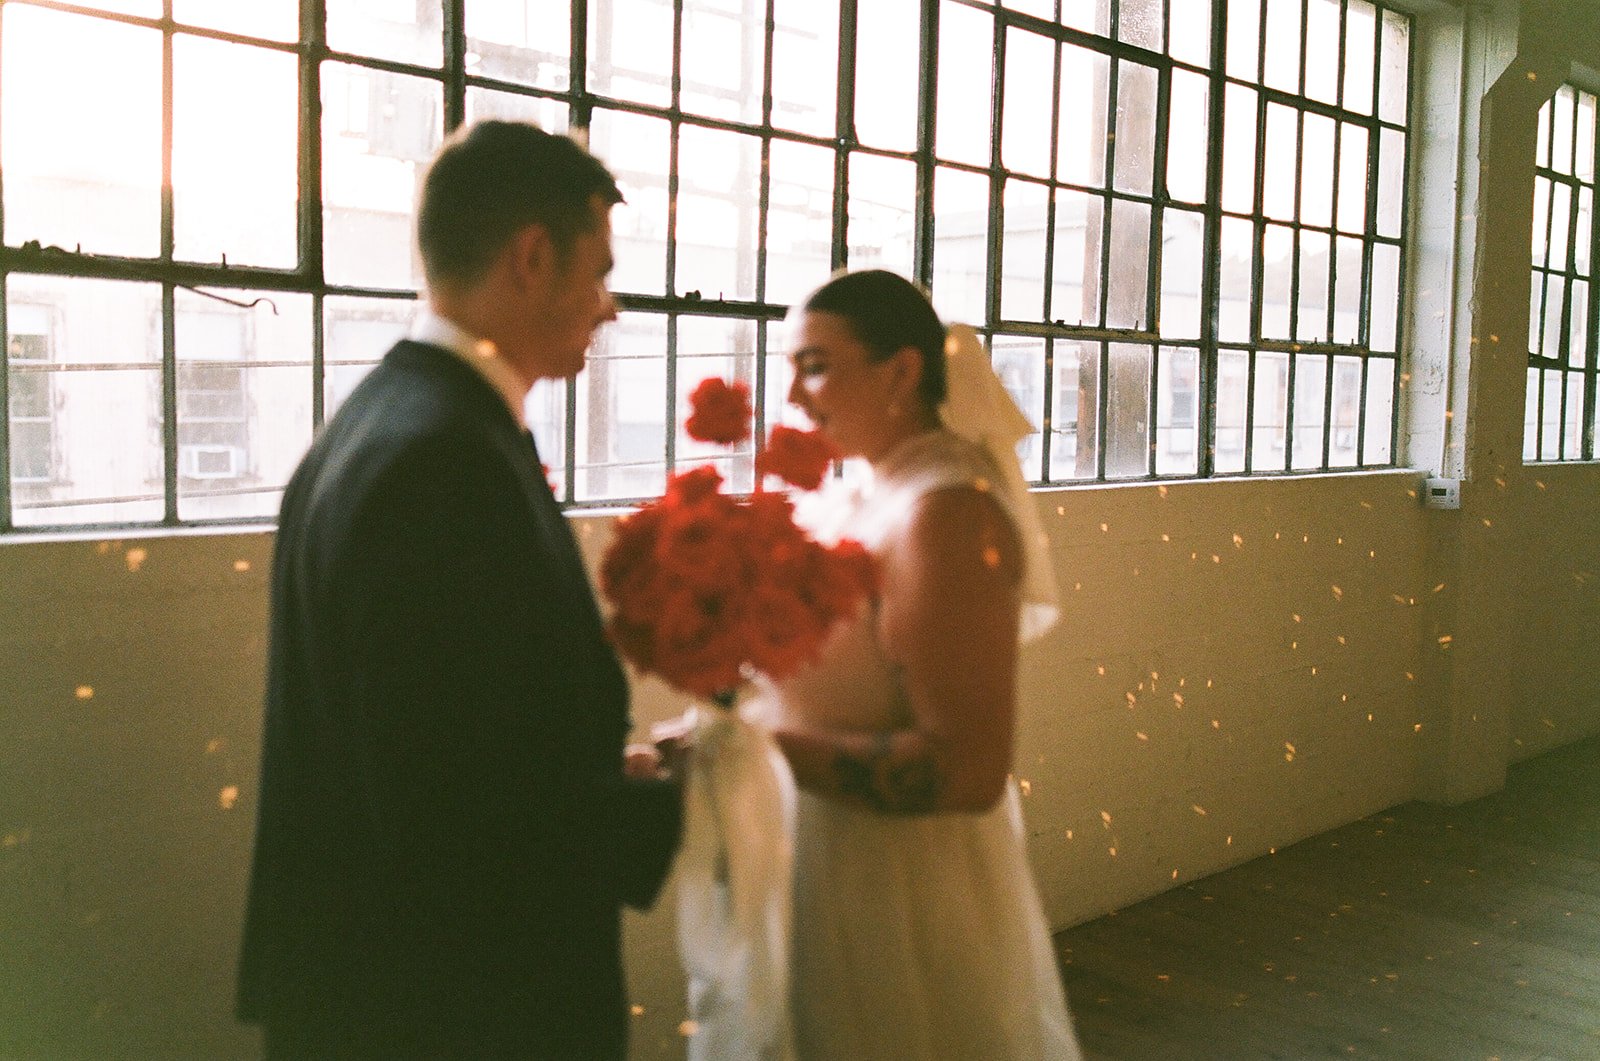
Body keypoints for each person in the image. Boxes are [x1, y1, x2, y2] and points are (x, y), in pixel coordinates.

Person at [236, 121, 684, 1060]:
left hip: (381, 982)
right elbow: (462, 818)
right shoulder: (444, 463)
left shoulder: (383, 420)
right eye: (598, 270)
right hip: (450, 1006)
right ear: (531, 256)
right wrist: (670, 794)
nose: (611, 305)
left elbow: (457, 731)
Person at [756, 269, 1083, 1059]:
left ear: (901, 372)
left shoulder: (948, 514)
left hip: (895, 892)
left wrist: (759, 752)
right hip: (815, 853)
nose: (793, 398)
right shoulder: (861, 496)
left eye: (816, 365)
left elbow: (966, 771)